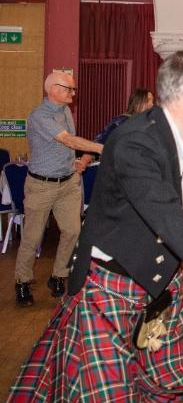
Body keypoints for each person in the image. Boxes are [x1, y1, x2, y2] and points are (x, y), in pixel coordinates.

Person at [8, 49, 183, 401]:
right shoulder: (135, 140)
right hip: (112, 288)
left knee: (167, 388)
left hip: (164, 289)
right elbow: (168, 218)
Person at [14, 71, 104, 307]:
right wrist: (101, 148)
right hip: (41, 186)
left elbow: (67, 147)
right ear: (53, 89)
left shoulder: (65, 111)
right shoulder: (39, 116)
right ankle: (23, 281)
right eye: (69, 89)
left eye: (73, 89)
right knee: (32, 237)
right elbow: (68, 140)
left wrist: (75, 162)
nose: (73, 94)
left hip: (68, 184)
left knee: (73, 231)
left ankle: (58, 276)